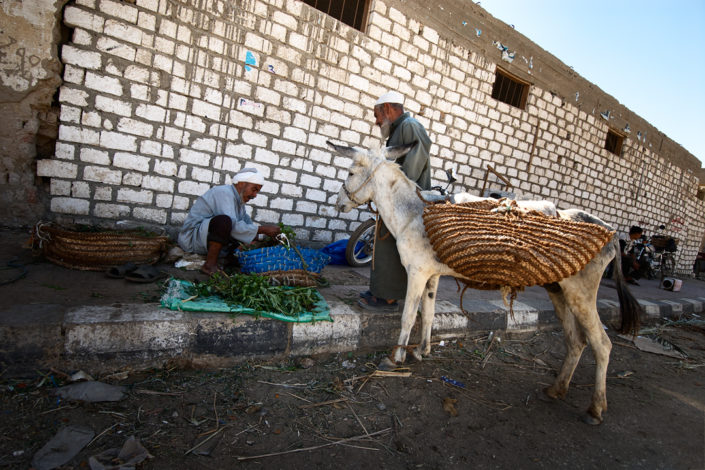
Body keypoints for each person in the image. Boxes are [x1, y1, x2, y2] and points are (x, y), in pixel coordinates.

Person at [358, 91, 432, 311]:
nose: (376, 121)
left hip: (406, 203)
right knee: (385, 243)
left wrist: (398, 196)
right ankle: (381, 291)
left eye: (377, 115)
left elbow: (412, 166)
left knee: (393, 246)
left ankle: (388, 297)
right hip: (396, 200)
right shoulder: (400, 128)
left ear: (388, 108)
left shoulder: (409, 125)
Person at [177, 167, 281, 275]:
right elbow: (233, 225)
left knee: (245, 239)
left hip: (206, 238)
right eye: (254, 189)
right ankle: (209, 265)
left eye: (257, 191)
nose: (255, 195)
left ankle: (226, 260)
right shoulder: (224, 192)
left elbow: (247, 225)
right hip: (193, 239)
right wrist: (263, 229)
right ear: (241, 183)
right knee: (224, 221)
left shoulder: (239, 202)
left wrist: (263, 236)